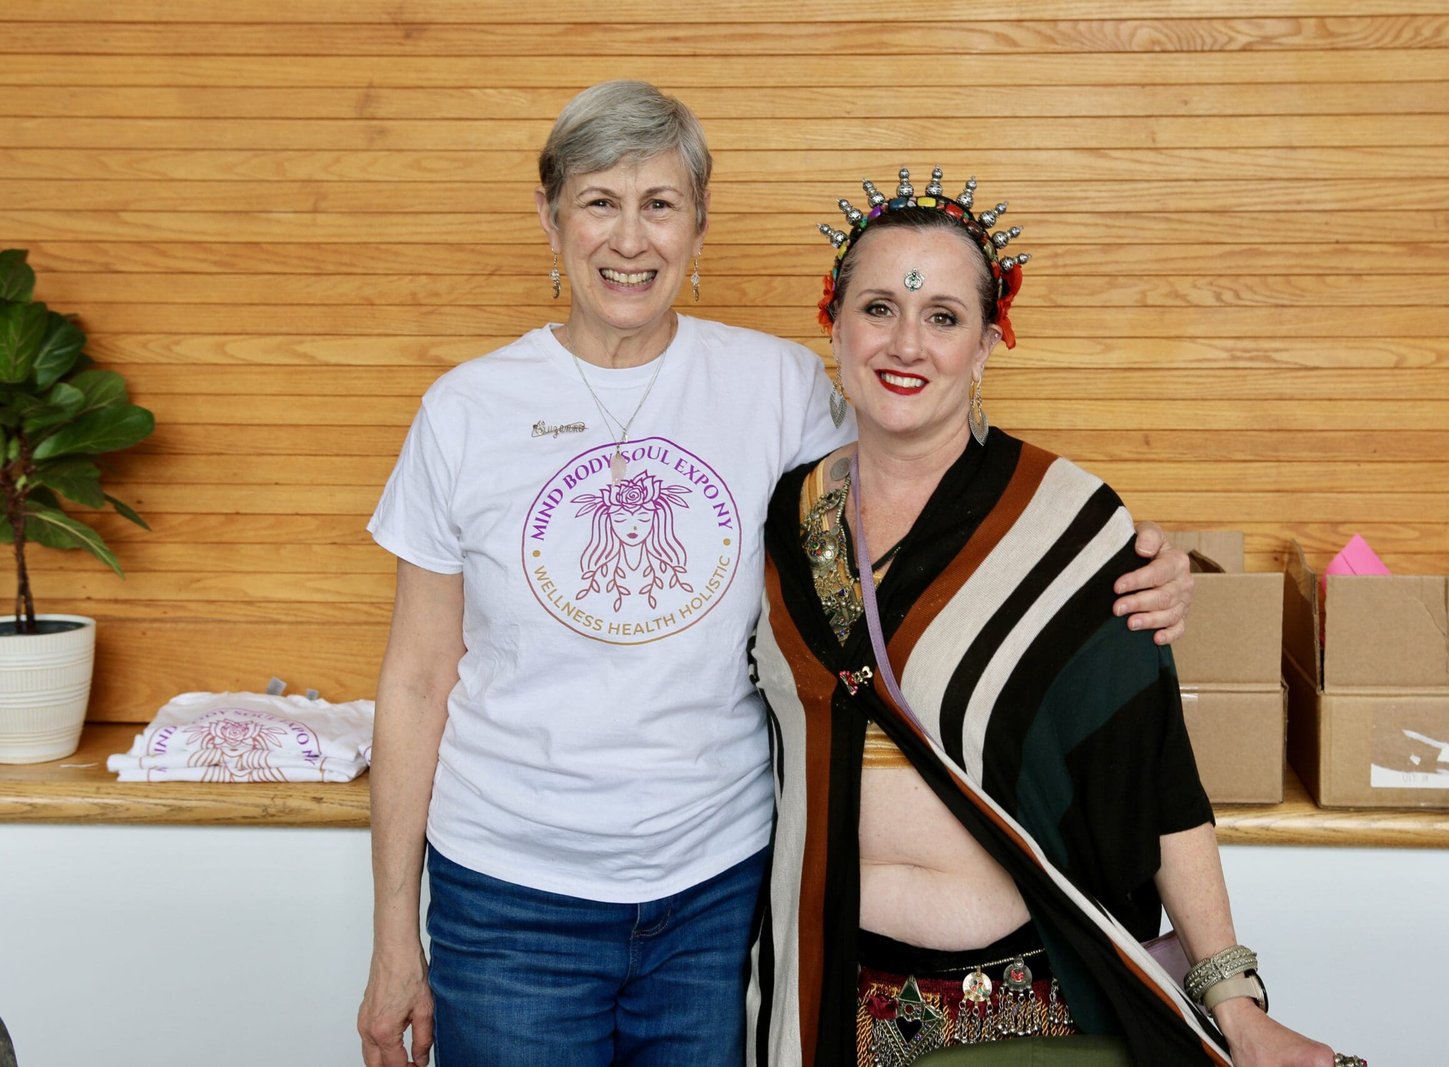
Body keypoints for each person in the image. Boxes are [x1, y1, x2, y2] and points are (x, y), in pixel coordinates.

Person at [355, 85, 1195, 1067]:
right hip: (509, 894)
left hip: (718, 894)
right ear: (549, 216)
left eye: (659, 204)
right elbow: (415, 681)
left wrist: (1127, 557)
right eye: (599, 202)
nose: (630, 239)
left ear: (698, 224)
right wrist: (391, 939)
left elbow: (932, 478)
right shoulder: (465, 411)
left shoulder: (780, 388)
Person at [747, 169, 1363, 1067]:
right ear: (832, 321)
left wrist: (1235, 1000)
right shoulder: (783, 520)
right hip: (822, 996)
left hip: (1017, 1009)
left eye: (944, 316)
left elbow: (1154, 772)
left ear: (987, 343)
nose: (906, 343)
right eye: (878, 308)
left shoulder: (1065, 524)